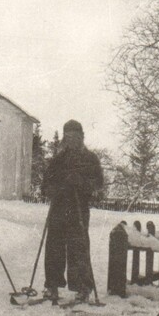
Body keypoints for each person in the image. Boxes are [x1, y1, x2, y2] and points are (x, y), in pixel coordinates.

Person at [42, 119, 104, 302]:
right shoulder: (58, 160)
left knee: (79, 247)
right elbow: (45, 184)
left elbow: (99, 185)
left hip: (78, 208)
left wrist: (82, 183)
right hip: (59, 208)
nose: (71, 141)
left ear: (82, 137)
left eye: (75, 137)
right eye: (67, 137)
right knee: (54, 247)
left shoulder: (90, 159)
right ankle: (52, 286)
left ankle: (83, 287)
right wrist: (51, 189)